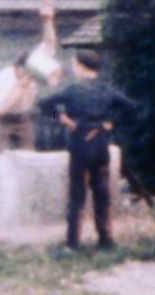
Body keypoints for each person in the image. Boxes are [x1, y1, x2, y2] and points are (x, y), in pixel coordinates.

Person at [38, 50, 136, 250]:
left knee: (77, 193)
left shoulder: (72, 90)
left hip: (80, 143)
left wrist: (63, 119)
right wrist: (110, 123)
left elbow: (44, 105)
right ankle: (105, 240)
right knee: (101, 191)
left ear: (81, 66)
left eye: (74, 65)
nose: (73, 69)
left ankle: (73, 242)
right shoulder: (107, 90)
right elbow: (131, 107)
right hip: (101, 143)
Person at [0, 52, 44, 221]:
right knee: (1, 163)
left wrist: (29, 90)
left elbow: (27, 107)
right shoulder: (4, 77)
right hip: (2, 120)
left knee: (29, 160)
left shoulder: (32, 80)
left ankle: (27, 208)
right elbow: (1, 108)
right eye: (25, 72)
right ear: (18, 67)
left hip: (22, 119)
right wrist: (19, 88)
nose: (28, 76)